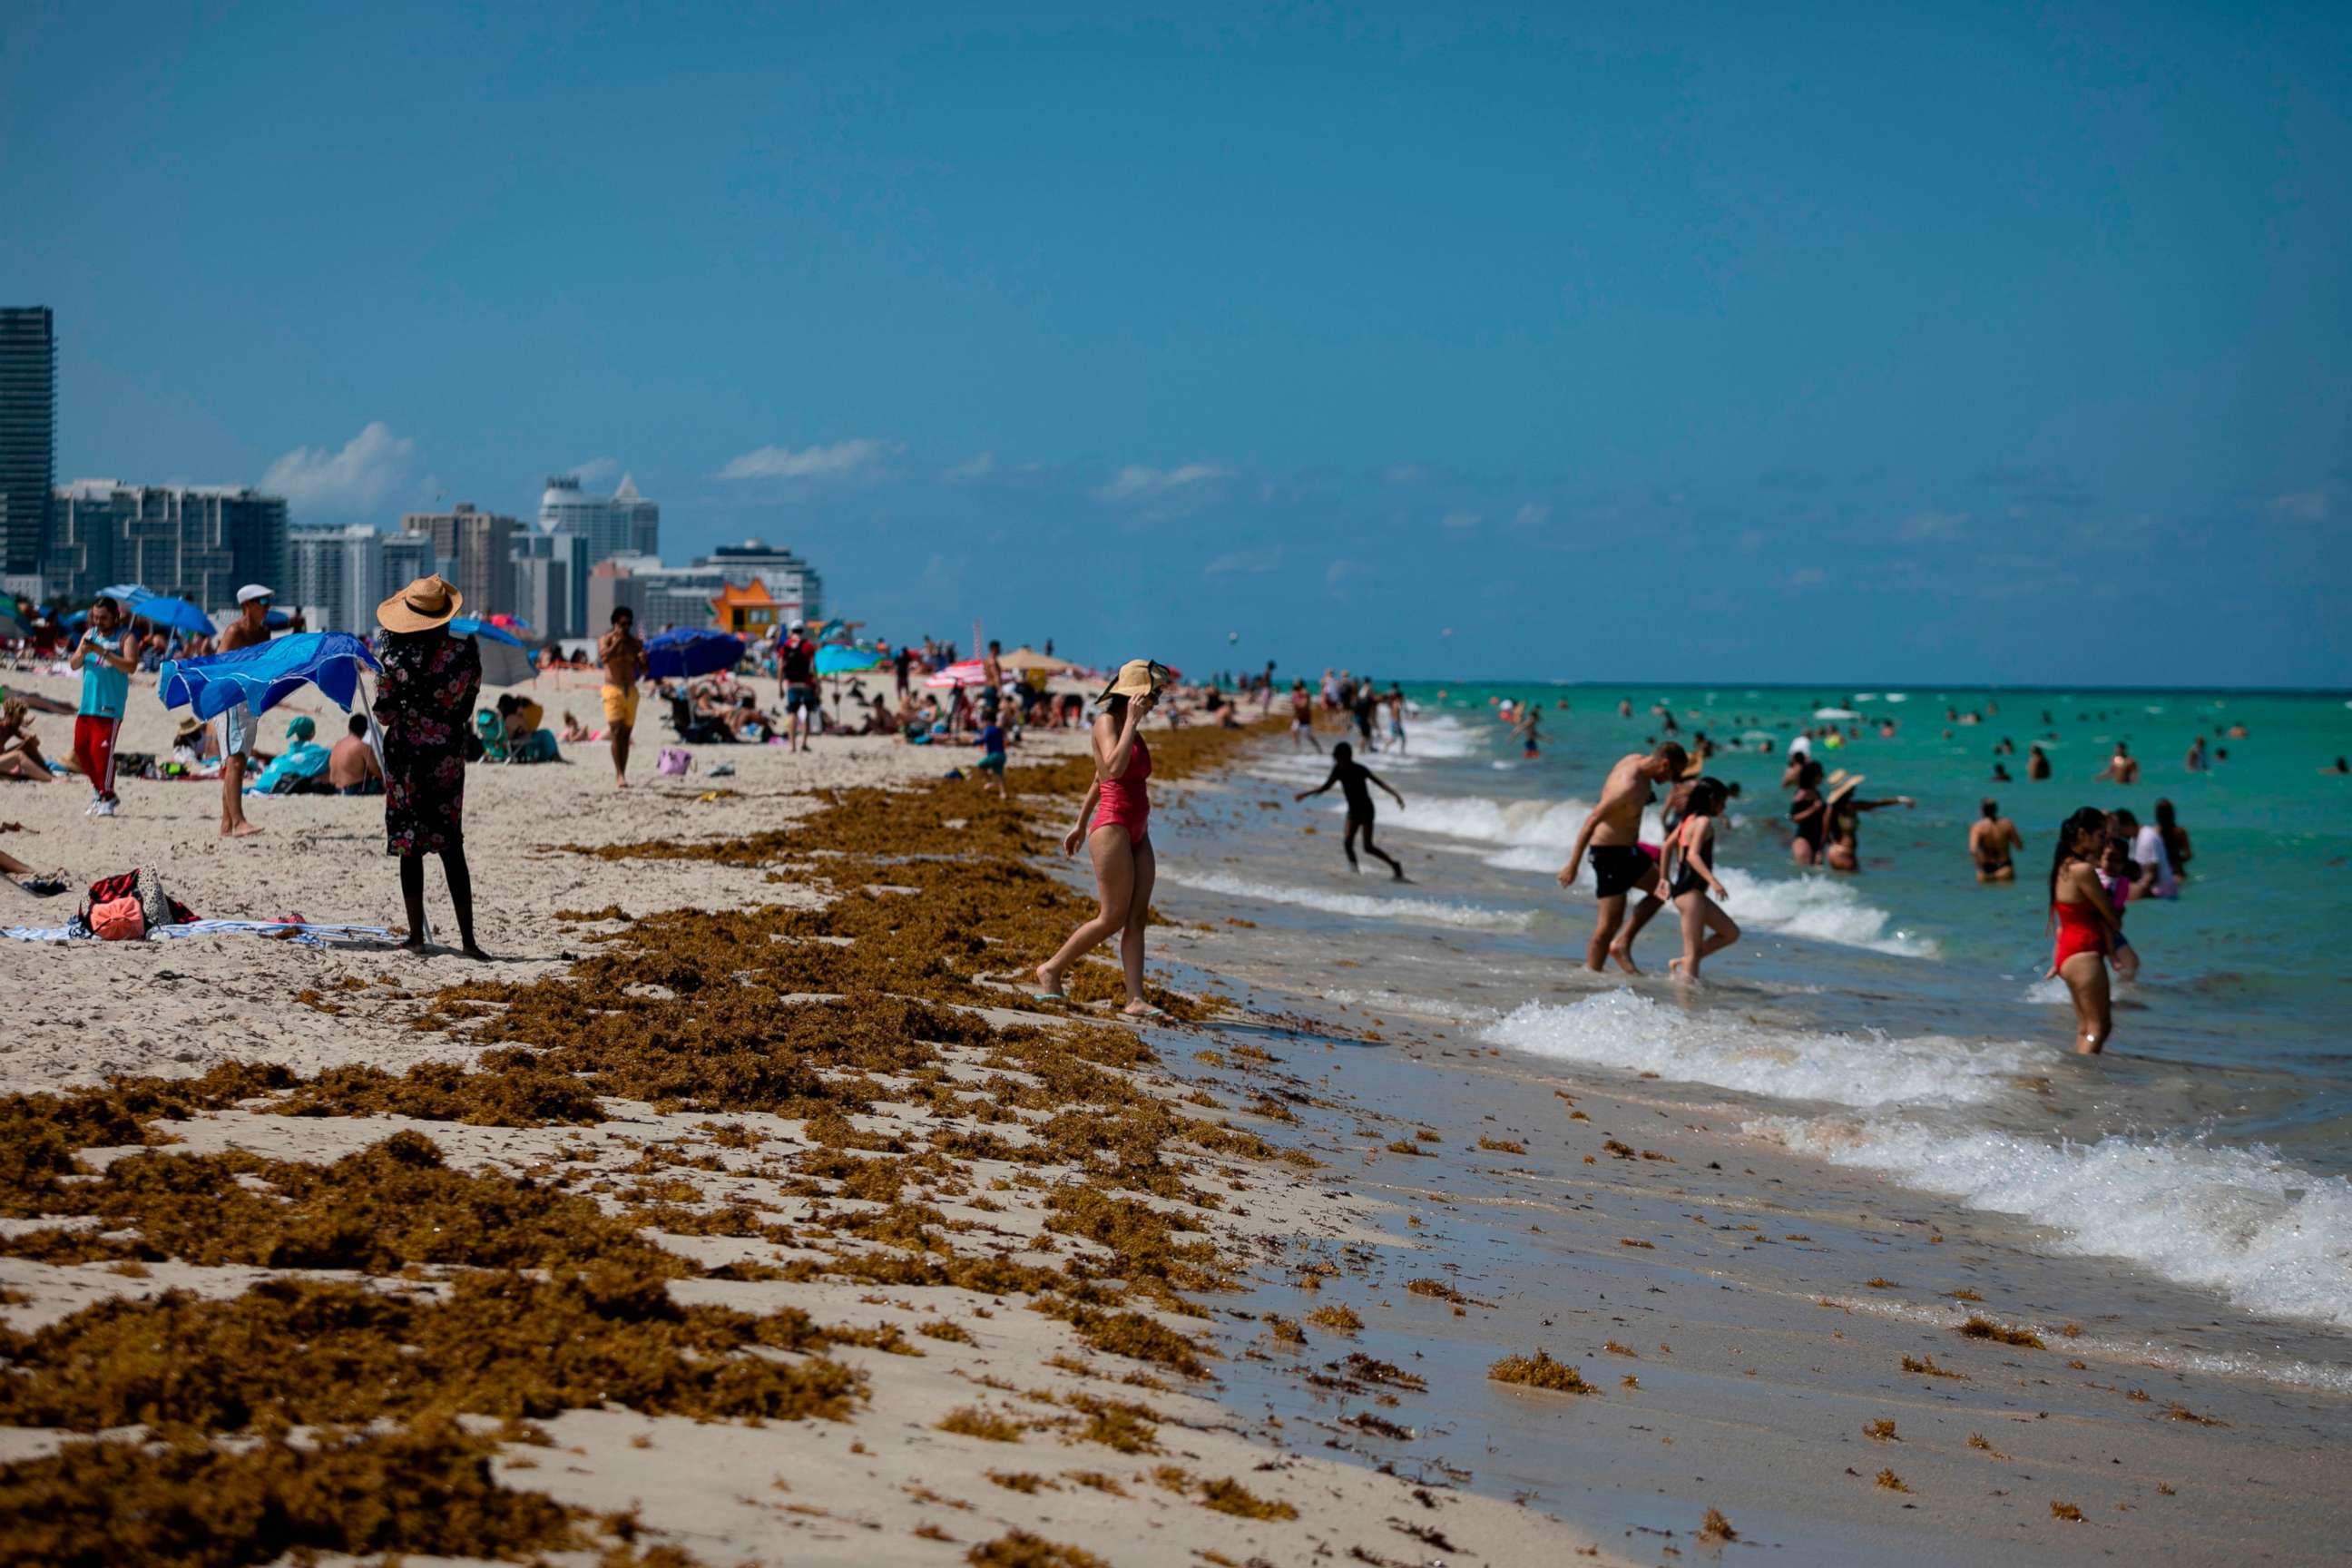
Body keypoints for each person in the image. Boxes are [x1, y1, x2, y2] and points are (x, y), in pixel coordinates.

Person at [1034, 659, 1170, 1018]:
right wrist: (1133, 723)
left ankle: (1135, 999)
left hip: (1140, 828)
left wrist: (1078, 823)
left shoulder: (1130, 727)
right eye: (1152, 693)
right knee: (1111, 916)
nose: (1156, 699)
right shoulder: (1107, 722)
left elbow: (1097, 778)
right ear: (1134, 694)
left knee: (1137, 916)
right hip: (1113, 826)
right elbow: (1112, 768)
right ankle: (1050, 969)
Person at [375, 575, 486, 959]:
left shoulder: (392, 659)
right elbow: (467, 708)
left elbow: (386, 714)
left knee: (410, 843)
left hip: (406, 756)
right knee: (451, 843)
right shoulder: (466, 655)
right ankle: (468, 940)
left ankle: (415, 936)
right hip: (447, 757)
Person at [1559, 741, 1689, 973]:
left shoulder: (1635, 761)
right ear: (1665, 764)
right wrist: (1573, 865)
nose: (1671, 780)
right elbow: (1592, 820)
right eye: (1673, 774)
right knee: (1608, 924)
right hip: (1609, 854)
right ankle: (1591, 973)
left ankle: (1622, 944)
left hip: (1629, 850)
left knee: (1662, 890)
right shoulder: (1628, 785)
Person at [2047, 807, 2122, 1054]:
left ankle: (2075, 1076)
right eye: (2101, 836)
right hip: (2084, 951)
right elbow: (2111, 916)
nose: (2105, 843)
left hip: (2068, 952)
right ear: (2082, 835)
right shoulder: (2084, 871)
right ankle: (2083, 1077)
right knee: (2099, 1028)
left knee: (2085, 1028)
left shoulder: (2063, 865)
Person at [1660, 777, 1739, 979]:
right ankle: (1688, 1003)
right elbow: (1693, 855)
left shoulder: (1688, 820)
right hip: (1690, 895)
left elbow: (1667, 846)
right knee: (1693, 954)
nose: (1725, 806)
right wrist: (1714, 882)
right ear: (1712, 799)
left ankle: (1682, 963)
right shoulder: (1702, 822)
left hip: (1688, 893)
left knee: (1730, 932)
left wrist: (1664, 878)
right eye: (1722, 801)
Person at [1295, 740, 1407, 879]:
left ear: (1347, 757)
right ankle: (1354, 871)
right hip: (1353, 811)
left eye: (1340, 758)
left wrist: (1396, 795)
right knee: (1347, 843)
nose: (1338, 761)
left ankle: (1394, 864)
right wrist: (1305, 794)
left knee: (1368, 847)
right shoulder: (1338, 770)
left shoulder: (1359, 769)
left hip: (1366, 810)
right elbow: (1326, 787)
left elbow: (1379, 782)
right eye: (1337, 758)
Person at [69, 595, 136, 818]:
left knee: (101, 753)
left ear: (115, 617)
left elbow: (131, 666)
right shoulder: (90, 635)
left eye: (103, 618)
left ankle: (107, 795)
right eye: (95, 617)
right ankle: (101, 792)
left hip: (110, 706)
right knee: (81, 750)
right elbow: (74, 663)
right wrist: (83, 651)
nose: (98, 622)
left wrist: (103, 652)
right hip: (87, 705)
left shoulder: (125, 637)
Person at [218, 584, 275, 837]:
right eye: (262, 602)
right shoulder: (234, 632)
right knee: (237, 760)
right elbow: (218, 669)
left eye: (268, 602)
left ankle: (227, 824)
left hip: (250, 701)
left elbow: (266, 667)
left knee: (237, 760)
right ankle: (239, 821)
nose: (267, 607)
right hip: (231, 699)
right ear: (246, 606)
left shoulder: (264, 633)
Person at [1822, 772, 1914, 872]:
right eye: (1852, 787)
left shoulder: (1832, 809)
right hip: (1845, 853)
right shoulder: (1851, 806)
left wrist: (1821, 851)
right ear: (1847, 790)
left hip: (1835, 851)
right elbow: (1876, 803)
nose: (1854, 789)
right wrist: (1902, 799)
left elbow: (1824, 832)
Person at [599, 606, 645, 787]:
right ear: (615, 624)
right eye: (622, 624)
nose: (626, 628)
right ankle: (619, 775)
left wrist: (643, 661)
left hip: (631, 691)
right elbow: (605, 658)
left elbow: (644, 671)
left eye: (628, 624)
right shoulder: (606, 639)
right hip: (612, 690)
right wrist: (618, 641)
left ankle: (623, 773)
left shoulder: (635, 643)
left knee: (625, 736)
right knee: (616, 731)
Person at [2097, 833, 2142, 983]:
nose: (2112, 864)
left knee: (2132, 963)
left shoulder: (2123, 883)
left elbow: (2117, 909)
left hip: (2110, 927)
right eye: (2109, 858)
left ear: (2124, 864)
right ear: (2100, 858)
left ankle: (2123, 992)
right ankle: (2111, 955)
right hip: (2094, 924)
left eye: (2118, 861)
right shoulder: (2093, 876)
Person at [2110, 807, 2178, 900]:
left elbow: (2151, 874)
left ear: (2129, 824)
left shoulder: (2146, 838)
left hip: (2162, 895)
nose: (2119, 834)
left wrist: (2133, 894)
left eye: (2119, 829)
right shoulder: (2135, 839)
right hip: (2160, 893)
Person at [780, 622, 818, 751]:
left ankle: (792, 746)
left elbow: (781, 667)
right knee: (806, 713)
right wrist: (817, 684)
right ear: (802, 631)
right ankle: (804, 743)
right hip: (806, 684)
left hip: (792, 684)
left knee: (792, 713)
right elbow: (813, 667)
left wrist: (780, 686)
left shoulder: (786, 645)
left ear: (792, 631)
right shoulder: (808, 646)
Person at [1969, 798, 2024, 882]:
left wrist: (1980, 867)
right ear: (1996, 809)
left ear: (1981, 810)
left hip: (1985, 870)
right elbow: (2019, 846)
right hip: (2004, 868)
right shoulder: (2007, 824)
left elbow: (1973, 850)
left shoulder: (1977, 827)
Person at [330, 712, 384, 794]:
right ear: (365, 730)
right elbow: (376, 771)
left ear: (349, 728)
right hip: (354, 789)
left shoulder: (338, 744)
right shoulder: (363, 746)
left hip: (337, 789)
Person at [1788, 760, 1828, 865]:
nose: (1823, 776)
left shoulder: (1817, 792)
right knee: (1806, 872)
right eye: (1821, 774)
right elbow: (1793, 818)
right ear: (1814, 776)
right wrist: (1813, 809)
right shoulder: (1802, 794)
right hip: (1804, 838)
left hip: (1817, 839)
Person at [2153, 798, 2191, 883]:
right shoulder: (2180, 832)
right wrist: (2177, 860)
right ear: (2172, 813)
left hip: (2160, 875)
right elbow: (2188, 855)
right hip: (2178, 873)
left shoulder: (2153, 832)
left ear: (2157, 814)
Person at [972, 715, 1009, 800]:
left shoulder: (988, 729)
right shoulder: (998, 729)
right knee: (999, 775)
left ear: (987, 721)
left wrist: (974, 742)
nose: (982, 724)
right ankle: (1003, 793)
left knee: (980, 765)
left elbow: (984, 740)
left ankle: (989, 782)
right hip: (1002, 755)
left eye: (982, 722)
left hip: (993, 755)